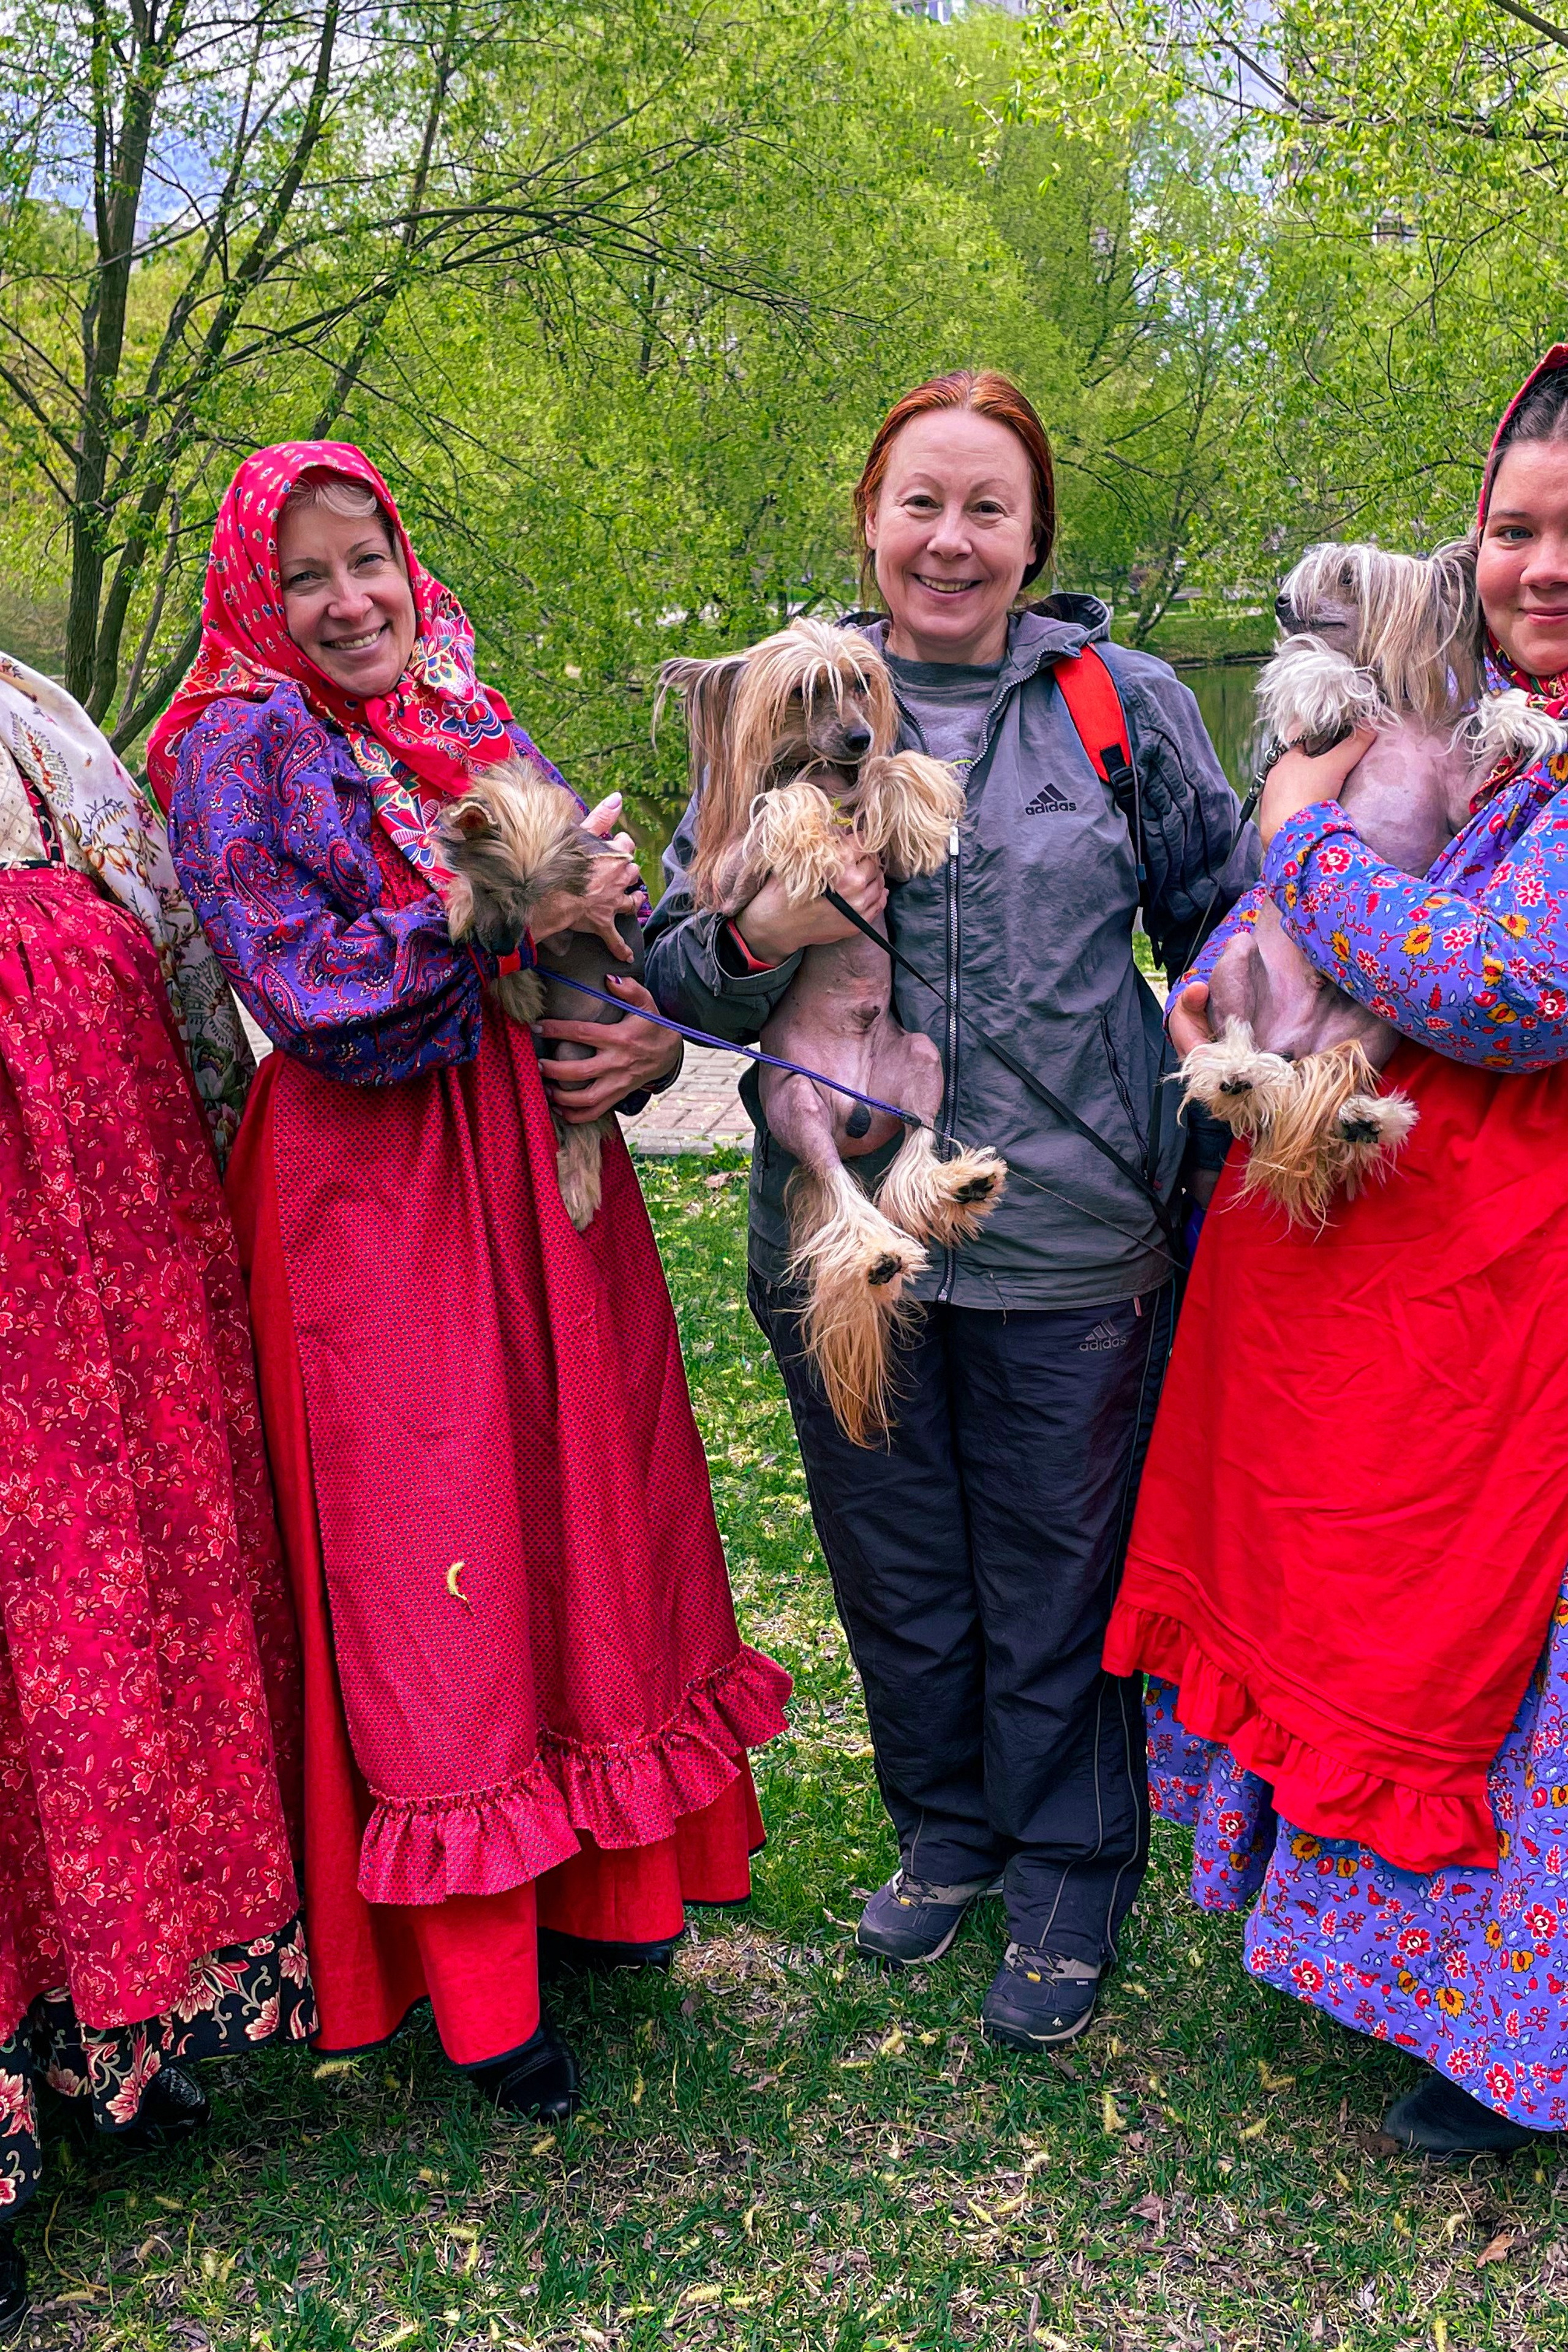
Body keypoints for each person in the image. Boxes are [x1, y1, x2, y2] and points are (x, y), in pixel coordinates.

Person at [153, 440, 790, 2122]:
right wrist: (517, 906)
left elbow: (589, 913)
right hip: (377, 1188)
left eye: (367, 558)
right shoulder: (235, 744)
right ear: (252, 599)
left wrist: (632, 1011)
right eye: (306, 579)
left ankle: (599, 1885)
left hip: (532, 1147)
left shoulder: (459, 697)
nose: (350, 600)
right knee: (429, 1544)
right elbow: (323, 997)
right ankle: (477, 1979)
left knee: (576, 1504)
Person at [646, 370, 1256, 2050]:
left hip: (1073, 1226)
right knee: (897, 1562)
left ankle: (1069, 1859)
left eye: (990, 507)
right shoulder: (787, 695)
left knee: (1060, 1563)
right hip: (852, 1240)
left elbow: (1225, 923)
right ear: (871, 513)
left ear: (1036, 535)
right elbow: (684, 956)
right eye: (923, 501)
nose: (952, 538)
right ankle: (951, 1828)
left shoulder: (1120, 706)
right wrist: (760, 937)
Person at [1105, 347, 1568, 2157]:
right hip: (1451, 1281)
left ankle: (1521, 2041)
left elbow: (1514, 992)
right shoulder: (1520, 741)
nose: (1541, 568)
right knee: (1427, 1625)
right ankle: (1446, 1996)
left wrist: (1297, 846)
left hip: (1529, 1309)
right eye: (1515, 530)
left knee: (1511, 1664)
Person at [0, 657, 313, 2336]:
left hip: (115, 1263)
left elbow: (189, 979)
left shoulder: (34, 716)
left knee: (108, 1636)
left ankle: (120, 2032)